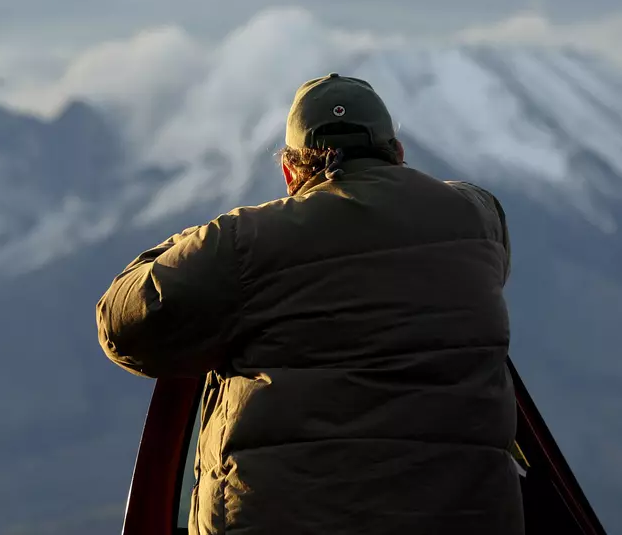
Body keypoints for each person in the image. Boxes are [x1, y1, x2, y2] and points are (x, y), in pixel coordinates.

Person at [96, 73, 523, 535]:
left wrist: (196, 241)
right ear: (398, 155)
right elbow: (472, 207)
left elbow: (123, 322)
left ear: (289, 172)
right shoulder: (477, 222)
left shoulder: (246, 243)